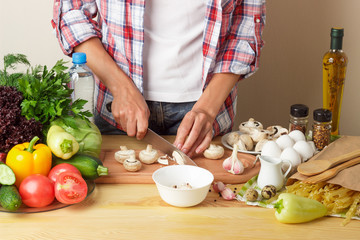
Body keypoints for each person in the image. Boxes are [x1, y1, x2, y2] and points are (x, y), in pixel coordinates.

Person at [52, 0, 266, 157]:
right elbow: (72, 12)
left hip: (205, 114)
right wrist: (120, 88)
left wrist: (207, 110)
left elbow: (245, 28)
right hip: (117, 109)